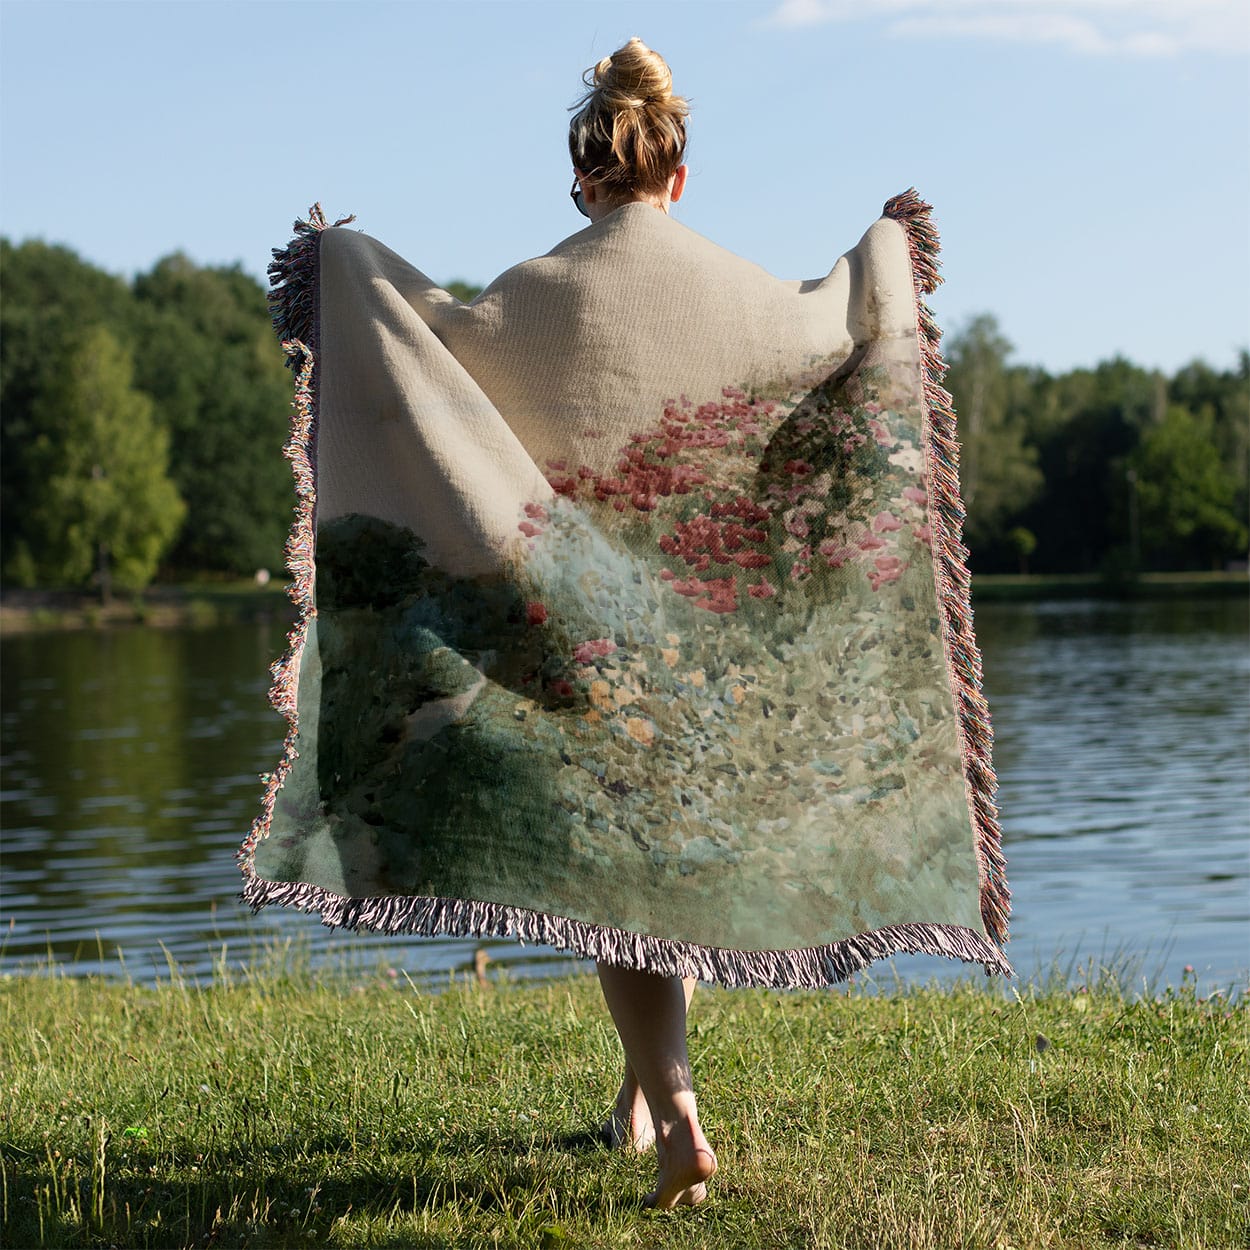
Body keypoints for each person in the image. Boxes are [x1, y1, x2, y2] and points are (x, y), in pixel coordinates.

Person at [562, 37, 717, 1211]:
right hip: (709, 637)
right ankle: (630, 1102)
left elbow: (434, 374)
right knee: (666, 876)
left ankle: (677, 1118)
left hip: (588, 636)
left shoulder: (537, 289)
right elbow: (822, 337)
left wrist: (348, 274)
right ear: (675, 174)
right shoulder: (728, 283)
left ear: (582, 180)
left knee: (614, 888)